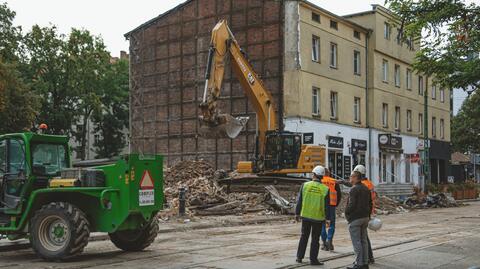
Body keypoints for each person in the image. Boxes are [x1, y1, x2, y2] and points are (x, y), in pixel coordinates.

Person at [295, 165, 331, 266]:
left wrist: (297, 213)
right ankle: (313, 259)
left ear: (314, 174)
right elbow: (327, 206)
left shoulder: (305, 185)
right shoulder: (325, 189)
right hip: (318, 218)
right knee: (315, 239)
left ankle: (299, 257)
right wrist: (328, 219)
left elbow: (300, 201)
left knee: (304, 236)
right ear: (322, 176)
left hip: (305, 216)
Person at [345, 169, 372, 269]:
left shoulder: (354, 189)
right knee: (363, 241)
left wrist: (346, 212)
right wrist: (368, 215)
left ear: (356, 178)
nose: (350, 178)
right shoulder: (366, 188)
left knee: (357, 242)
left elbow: (351, 204)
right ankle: (365, 263)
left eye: (351, 176)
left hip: (355, 218)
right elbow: (370, 203)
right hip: (365, 217)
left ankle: (359, 264)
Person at [353, 164, 376, 264]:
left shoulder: (362, 185)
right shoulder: (369, 183)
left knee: (363, 238)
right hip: (368, 212)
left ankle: (366, 259)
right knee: (364, 237)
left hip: (362, 213)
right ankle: (368, 258)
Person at [321, 168, 341, 251]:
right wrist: (336, 204)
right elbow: (339, 194)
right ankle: (329, 240)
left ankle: (324, 243)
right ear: (329, 173)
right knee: (331, 224)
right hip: (331, 206)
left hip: (321, 206)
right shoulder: (334, 181)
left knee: (322, 224)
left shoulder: (320, 181)